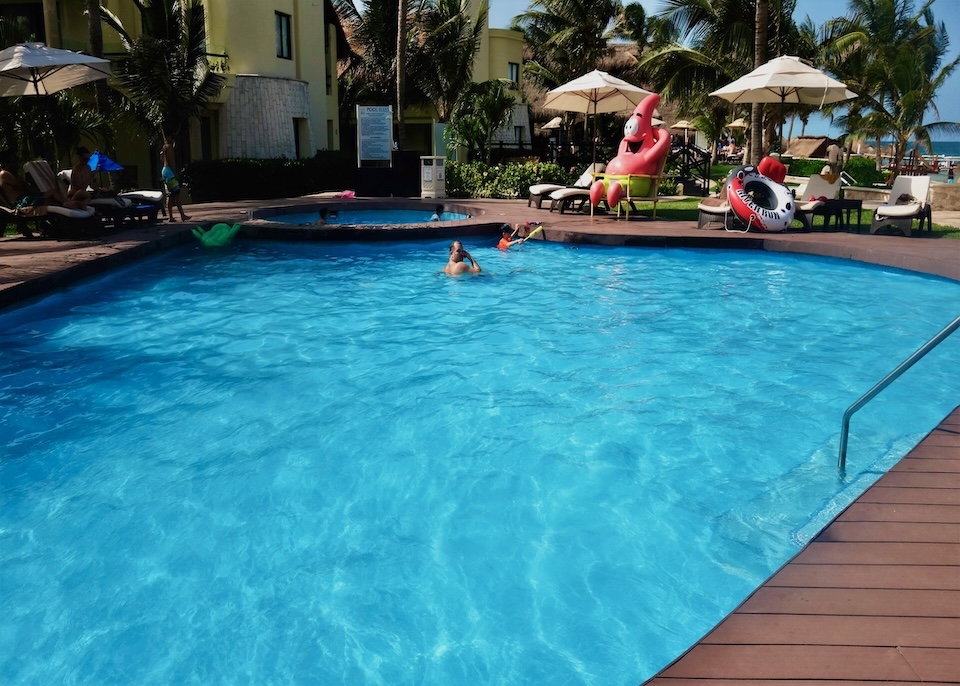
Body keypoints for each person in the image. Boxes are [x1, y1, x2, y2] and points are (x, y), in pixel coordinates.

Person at [161, 133, 191, 223]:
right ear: (169, 137)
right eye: (172, 137)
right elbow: (171, 161)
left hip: (165, 171)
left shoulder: (164, 147)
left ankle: (171, 217)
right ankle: (182, 215)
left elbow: (163, 159)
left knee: (170, 195)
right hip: (170, 172)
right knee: (176, 194)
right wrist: (175, 173)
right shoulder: (169, 147)